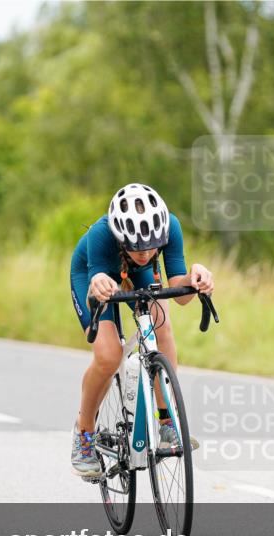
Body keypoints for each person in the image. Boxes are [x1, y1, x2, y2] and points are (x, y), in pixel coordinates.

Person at [68, 184, 214, 477]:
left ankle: (166, 422)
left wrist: (198, 278)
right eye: (137, 246)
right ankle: (84, 434)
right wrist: (99, 283)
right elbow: (95, 284)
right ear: (122, 238)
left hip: (134, 274)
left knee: (162, 324)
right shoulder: (101, 234)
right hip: (92, 275)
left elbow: (181, 294)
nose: (146, 253)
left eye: (152, 245)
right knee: (108, 357)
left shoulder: (170, 226)